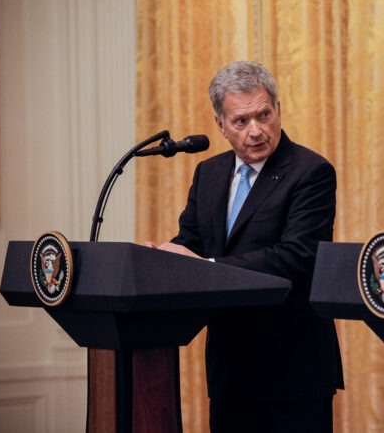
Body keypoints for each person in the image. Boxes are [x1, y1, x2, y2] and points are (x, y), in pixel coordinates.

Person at [147, 61, 343, 432]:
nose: (256, 130)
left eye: (264, 115)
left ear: (278, 110)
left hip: (292, 370)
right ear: (220, 125)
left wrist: (206, 266)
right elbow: (190, 242)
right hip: (230, 369)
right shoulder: (209, 173)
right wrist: (159, 258)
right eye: (241, 121)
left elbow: (296, 257)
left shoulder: (311, 172)